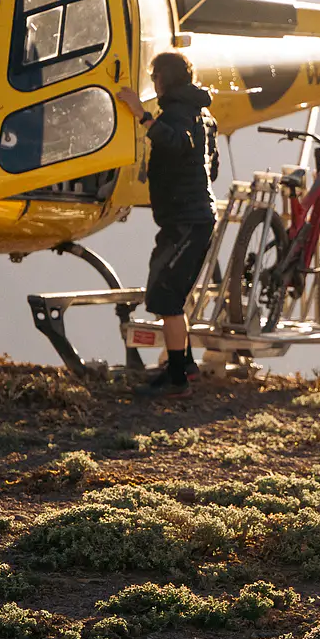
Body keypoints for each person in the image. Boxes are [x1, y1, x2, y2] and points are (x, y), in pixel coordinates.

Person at [117, 50, 219, 396]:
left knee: (166, 295)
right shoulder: (201, 113)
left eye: (156, 76)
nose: (154, 83)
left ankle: (177, 379)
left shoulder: (177, 113)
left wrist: (142, 116)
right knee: (165, 287)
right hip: (188, 218)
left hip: (188, 221)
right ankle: (183, 366)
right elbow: (210, 165)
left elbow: (176, 143)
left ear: (167, 79)